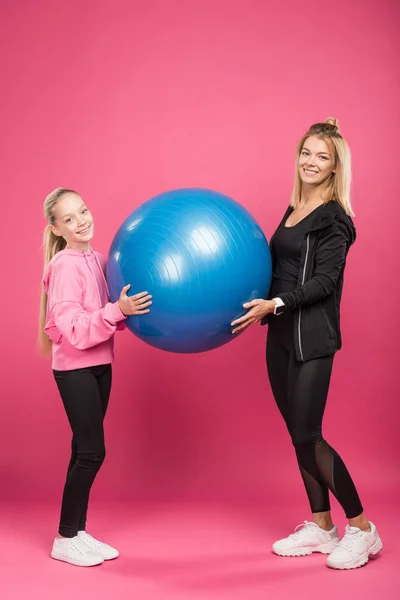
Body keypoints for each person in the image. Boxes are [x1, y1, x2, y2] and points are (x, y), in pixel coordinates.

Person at [231, 119, 382, 570]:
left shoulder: (336, 218)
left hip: (312, 338)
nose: (311, 162)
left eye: (323, 156)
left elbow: (324, 281)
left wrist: (274, 303)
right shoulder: (294, 208)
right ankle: (322, 526)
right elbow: (275, 265)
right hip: (278, 335)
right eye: (307, 153)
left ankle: (362, 530)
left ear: (336, 168)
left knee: (308, 434)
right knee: (297, 438)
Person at [39, 188, 152, 567]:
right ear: (56, 229)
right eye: (69, 219)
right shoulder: (66, 265)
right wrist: (116, 310)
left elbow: (106, 314)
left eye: (83, 211)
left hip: (100, 364)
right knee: (91, 452)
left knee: (80, 450)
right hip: (75, 369)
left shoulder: (97, 258)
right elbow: (71, 326)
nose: (81, 221)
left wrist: (123, 308)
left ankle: (76, 530)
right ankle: (64, 538)